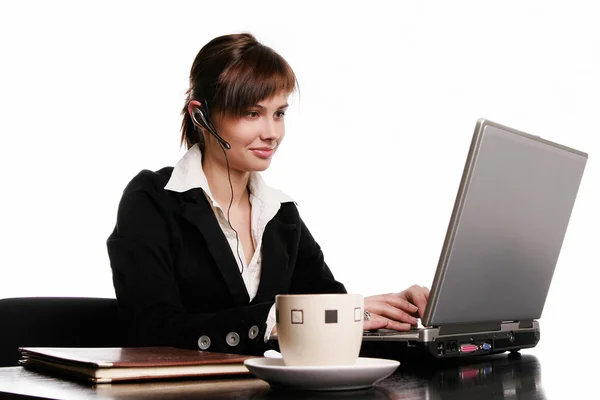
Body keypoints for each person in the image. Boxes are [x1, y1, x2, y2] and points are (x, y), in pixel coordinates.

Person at [107, 32, 430, 356]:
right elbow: (150, 327)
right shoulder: (152, 200)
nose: (272, 133)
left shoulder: (280, 213)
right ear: (199, 115)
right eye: (252, 113)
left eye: (279, 113)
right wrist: (277, 320)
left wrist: (393, 310)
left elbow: (326, 306)